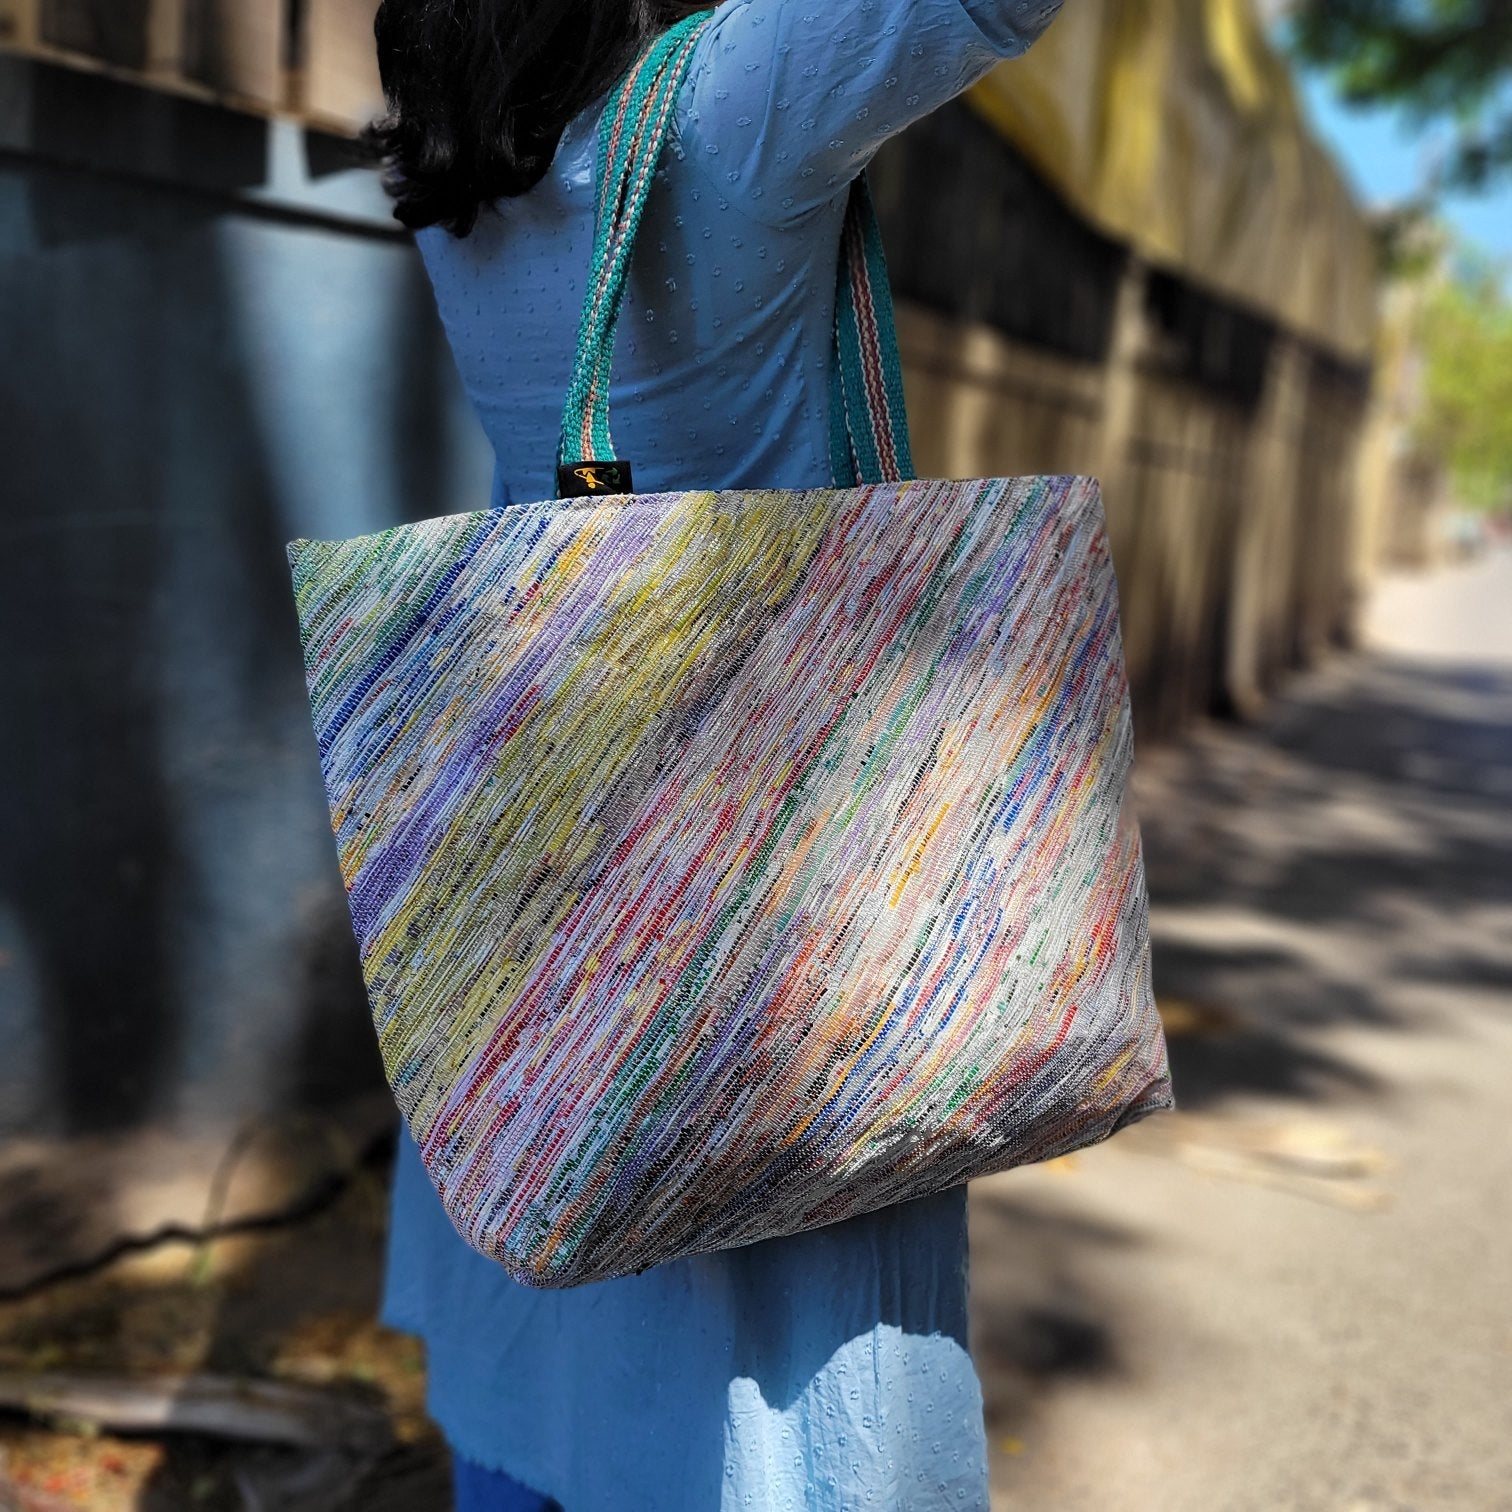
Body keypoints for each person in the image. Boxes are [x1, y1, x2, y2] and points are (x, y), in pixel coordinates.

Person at [367, 0, 1066, 1506]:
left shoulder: (461, 151)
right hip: (771, 869)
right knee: (760, 1374)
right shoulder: (723, 106)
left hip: (540, 854)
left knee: (544, 1304)